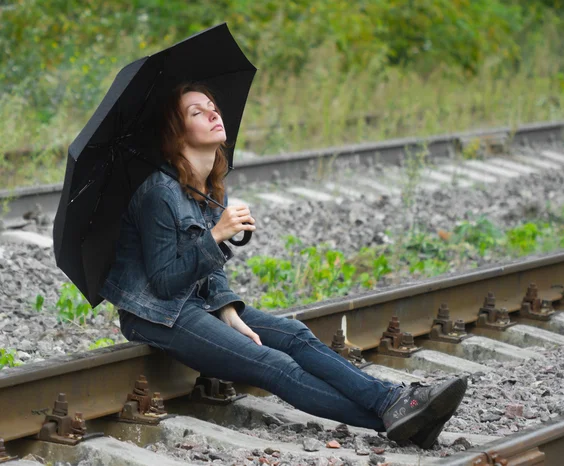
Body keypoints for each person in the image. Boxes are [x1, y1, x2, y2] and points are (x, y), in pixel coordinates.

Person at [100, 82, 467, 449]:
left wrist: (227, 307)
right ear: (176, 133)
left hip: (194, 303)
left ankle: (393, 404)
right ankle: (396, 417)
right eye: (197, 112)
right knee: (274, 364)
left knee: (294, 335)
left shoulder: (207, 186)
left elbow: (207, 273)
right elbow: (164, 282)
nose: (213, 113)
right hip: (158, 315)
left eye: (213, 106)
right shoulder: (158, 193)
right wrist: (215, 236)